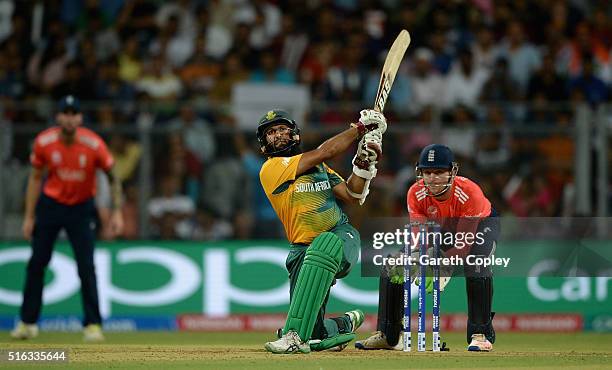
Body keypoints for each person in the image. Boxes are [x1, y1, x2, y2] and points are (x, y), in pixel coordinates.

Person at [258, 109, 386, 354]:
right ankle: (345, 322)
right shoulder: (272, 169)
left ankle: (293, 338)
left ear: (295, 134)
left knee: (324, 243)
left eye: (282, 129)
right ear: (264, 145)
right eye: (271, 133)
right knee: (311, 328)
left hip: (340, 236)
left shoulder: (320, 169)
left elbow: (353, 195)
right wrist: (359, 129)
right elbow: (325, 151)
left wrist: (363, 164)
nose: (278, 134)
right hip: (302, 251)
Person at [355, 144, 499, 352]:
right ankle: (390, 336)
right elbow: (419, 239)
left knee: (477, 265)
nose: (432, 178)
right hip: (440, 229)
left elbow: (463, 246)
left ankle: (481, 334)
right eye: (427, 172)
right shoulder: (415, 193)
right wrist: (420, 258)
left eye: (439, 172)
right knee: (393, 265)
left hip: (481, 226)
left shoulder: (470, 192)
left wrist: (444, 267)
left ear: (453, 171)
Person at [10, 95, 124, 342]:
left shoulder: (93, 144)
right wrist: (29, 216)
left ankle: (92, 325)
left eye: (74, 114)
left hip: (81, 209)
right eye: (66, 113)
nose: (70, 119)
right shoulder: (44, 142)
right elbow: (34, 179)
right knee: (37, 264)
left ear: (81, 118)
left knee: (86, 267)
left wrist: (116, 212)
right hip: (50, 206)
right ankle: (28, 323)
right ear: (58, 117)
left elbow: (113, 176)